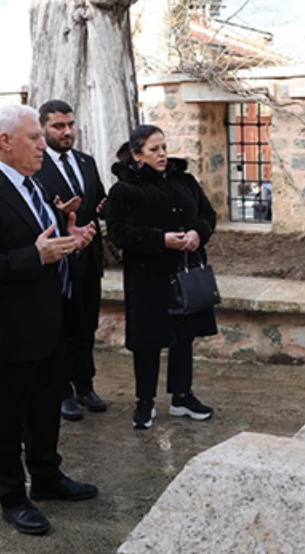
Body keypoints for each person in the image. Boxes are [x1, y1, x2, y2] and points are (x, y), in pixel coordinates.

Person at [0, 104, 99, 537]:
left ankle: (48, 476)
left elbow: (44, 245)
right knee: (7, 415)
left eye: (41, 136)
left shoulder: (34, 187)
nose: (42, 144)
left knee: (44, 408)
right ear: (4, 142)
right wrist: (32, 256)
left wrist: (71, 238)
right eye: (34, 137)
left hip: (47, 320)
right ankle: (13, 497)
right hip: (8, 330)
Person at [105, 124, 218, 431]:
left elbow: (208, 215)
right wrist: (160, 239)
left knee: (184, 336)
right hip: (148, 277)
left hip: (185, 270)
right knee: (148, 340)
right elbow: (118, 232)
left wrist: (198, 233)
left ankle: (182, 396)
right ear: (136, 154)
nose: (162, 154)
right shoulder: (124, 190)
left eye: (164, 148)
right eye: (154, 149)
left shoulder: (185, 180)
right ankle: (145, 402)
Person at [34, 100, 109, 422]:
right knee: (60, 328)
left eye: (70, 125)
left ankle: (85, 385)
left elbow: (98, 201)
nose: (67, 132)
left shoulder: (86, 161)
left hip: (89, 259)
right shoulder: (36, 166)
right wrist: (60, 214)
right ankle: (62, 391)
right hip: (58, 263)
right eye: (58, 126)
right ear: (43, 129)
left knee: (86, 324)